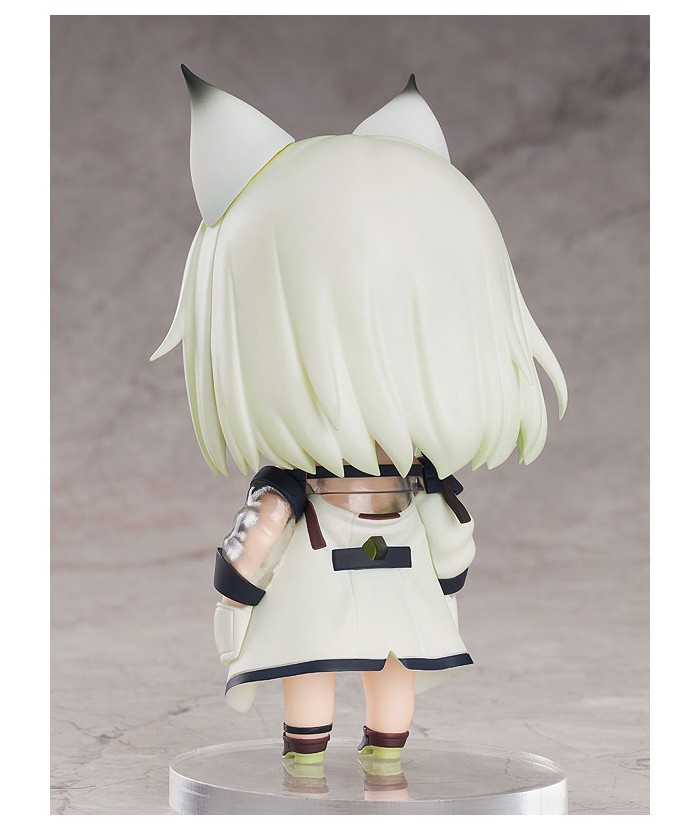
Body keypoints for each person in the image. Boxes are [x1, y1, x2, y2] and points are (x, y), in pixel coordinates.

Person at [151, 67, 568, 766]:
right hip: (359, 571)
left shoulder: (395, 484)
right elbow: (444, 542)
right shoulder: (317, 487)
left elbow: (255, 548)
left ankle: (362, 755)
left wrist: (236, 599)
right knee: (340, 664)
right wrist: (446, 584)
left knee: (343, 664)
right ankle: (328, 756)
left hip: (350, 572)